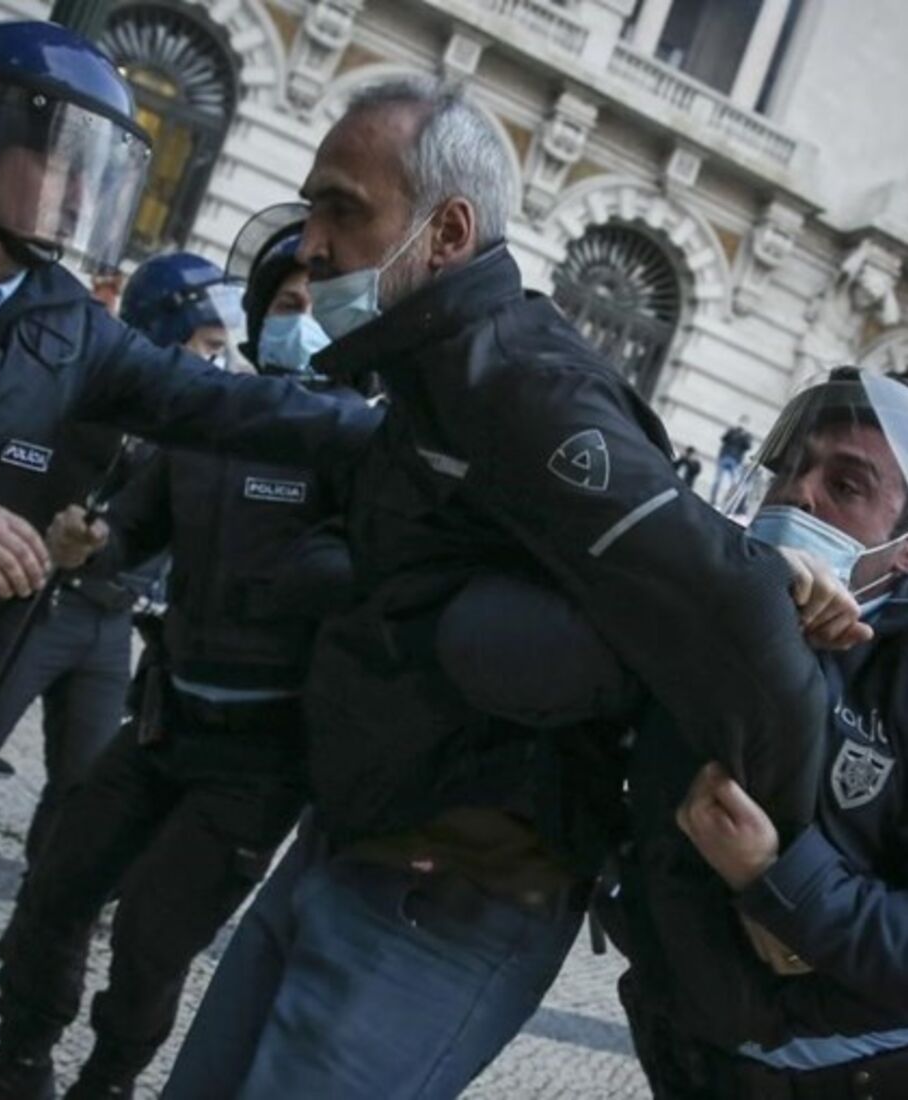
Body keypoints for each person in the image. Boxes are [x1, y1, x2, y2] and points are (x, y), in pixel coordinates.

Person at [162, 77, 828, 1100]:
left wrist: (777, 886)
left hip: (450, 893)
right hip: (352, 840)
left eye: (343, 207)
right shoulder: (425, 370)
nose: (311, 244)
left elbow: (735, 609)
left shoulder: (523, 386)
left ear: (445, 232)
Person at [0, 21, 377, 1089]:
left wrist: (396, 427)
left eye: (96, 165)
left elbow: (212, 404)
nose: (73, 185)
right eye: (53, 150)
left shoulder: (62, 320)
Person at [0, 218, 366, 1100]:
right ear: (257, 311)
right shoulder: (201, 420)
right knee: (57, 888)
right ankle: (20, 1065)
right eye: (287, 303)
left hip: (256, 761)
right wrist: (91, 541)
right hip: (163, 719)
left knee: (152, 941)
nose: (302, 319)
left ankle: (107, 1084)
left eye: (320, 306)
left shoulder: (356, 438)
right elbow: (133, 527)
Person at [619, 369, 908, 1098]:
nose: (798, 493)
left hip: (836, 1073)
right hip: (682, 1042)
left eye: (845, 487)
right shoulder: (724, 602)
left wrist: (775, 875)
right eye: (791, 466)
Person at [0, 253, 230, 864]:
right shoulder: (85, 391)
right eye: (208, 345)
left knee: (80, 786)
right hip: (40, 603)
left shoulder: (179, 419)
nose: (213, 363)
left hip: (109, 618)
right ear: (167, 330)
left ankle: (35, 930)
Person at [710, 416, 753, 505]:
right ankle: (712, 500)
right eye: (741, 422)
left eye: (745, 423)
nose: (742, 424)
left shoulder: (747, 435)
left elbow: (748, 447)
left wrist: (743, 435)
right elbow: (723, 439)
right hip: (724, 457)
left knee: (734, 482)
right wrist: (733, 432)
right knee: (717, 480)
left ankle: (728, 501)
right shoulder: (732, 431)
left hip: (736, 461)